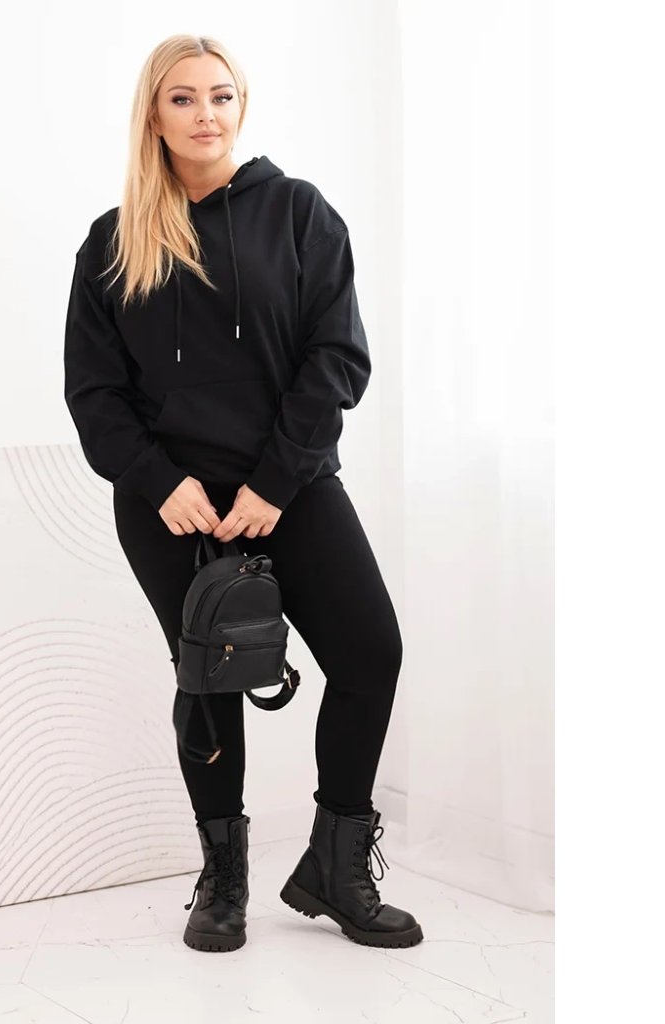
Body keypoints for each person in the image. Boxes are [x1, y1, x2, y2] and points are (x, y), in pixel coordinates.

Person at [63, 34, 423, 953]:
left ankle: (336, 866)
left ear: (242, 105)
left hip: (289, 487)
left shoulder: (300, 213)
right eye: (183, 98)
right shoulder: (113, 241)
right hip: (170, 506)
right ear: (154, 115)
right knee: (210, 679)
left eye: (221, 95)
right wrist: (158, 481)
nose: (206, 114)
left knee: (370, 653)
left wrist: (274, 480)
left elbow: (336, 357)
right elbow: (94, 393)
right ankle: (223, 880)